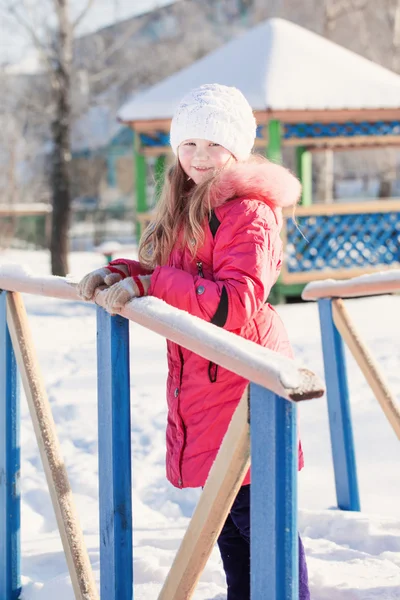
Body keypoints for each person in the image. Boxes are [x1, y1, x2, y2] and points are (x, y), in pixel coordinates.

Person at [77, 83, 310, 600]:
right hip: (205, 391)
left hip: (249, 386)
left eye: (214, 145)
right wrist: (126, 272)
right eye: (190, 145)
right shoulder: (187, 209)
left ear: (238, 149)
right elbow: (175, 277)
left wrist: (151, 284)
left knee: (263, 530)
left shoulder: (248, 212)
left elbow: (231, 304)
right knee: (227, 533)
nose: (201, 157)